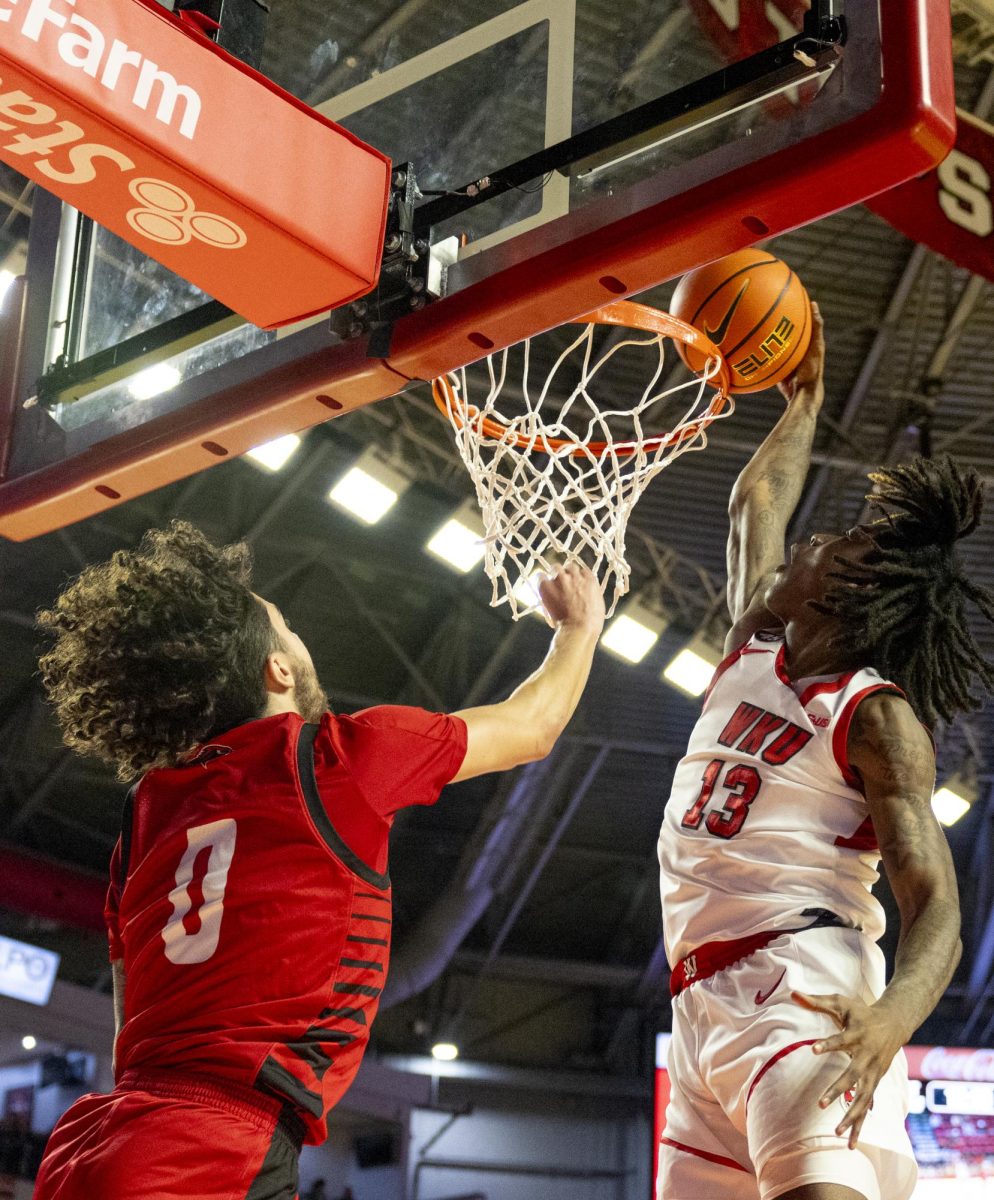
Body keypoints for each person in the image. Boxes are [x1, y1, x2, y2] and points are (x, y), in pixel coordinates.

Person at [31, 523, 605, 1200]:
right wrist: (579, 628)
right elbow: (531, 726)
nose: (302, 642)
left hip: (102, 1141)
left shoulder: (146, 811)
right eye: (290, 630)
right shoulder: (336, 757)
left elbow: (133, 1019)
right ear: (279, 669)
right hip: (209, 1152)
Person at [656, 304, 994, 1200]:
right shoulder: (755, 645)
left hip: (801, 990)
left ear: (848, 590)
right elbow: (753, 505)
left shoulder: (875, 720)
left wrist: (891, 1024)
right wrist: (803, 397)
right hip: (700, 1006)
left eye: (838, 540)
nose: (815, 535)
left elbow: (938, 906)